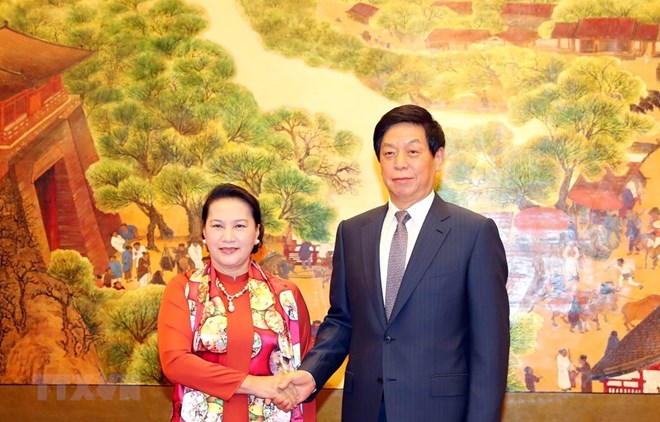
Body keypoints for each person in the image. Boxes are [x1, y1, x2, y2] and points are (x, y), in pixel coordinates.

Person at [280, 105, 510, 421]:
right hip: (365, 409)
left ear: (438, 158)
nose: (399, 163)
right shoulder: (353, 232)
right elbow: (342, 321)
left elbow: (490, 347)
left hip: (438, 412)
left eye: (412, 151)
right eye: (389, 153)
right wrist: (311, 373)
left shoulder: (473, 233)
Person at [158, 183, 316, 421]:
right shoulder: (183, 289)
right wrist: (256, 385)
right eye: (217, 226)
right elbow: (175, 363)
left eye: (240, 226)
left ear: (256, 233)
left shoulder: (286, 296)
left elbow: (303, 369)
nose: (228, 237)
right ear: (204, 232)